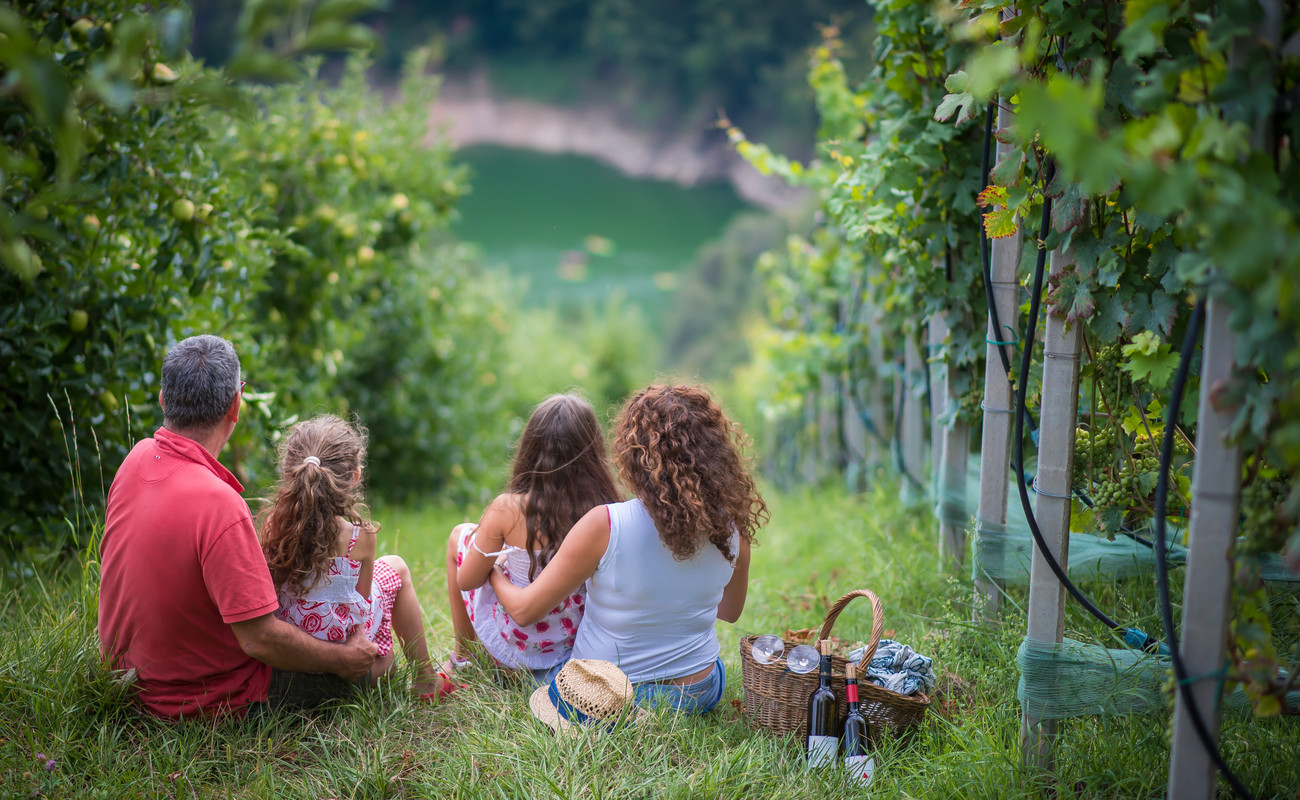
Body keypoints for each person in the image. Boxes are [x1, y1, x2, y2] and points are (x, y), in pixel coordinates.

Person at [98, 335, 377, 719]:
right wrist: (342, 660)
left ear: (164, 400)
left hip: (125, 684)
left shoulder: (135, 460)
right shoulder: (220, 505)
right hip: (204, 701)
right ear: (236, 404)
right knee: (374, 667)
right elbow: (260, 639)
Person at [489, 384, 767, 713]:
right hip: (699, 690)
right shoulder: (731, 530)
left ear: (634, 454)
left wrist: (494, 573)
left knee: (537, 670)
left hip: (605, 695)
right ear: (716, 453)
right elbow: (729, 612)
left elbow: (524, 612)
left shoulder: (605, 525)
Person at [260, 414, 451, 700]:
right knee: (396, 568)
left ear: (290, 472)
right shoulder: (360, 537)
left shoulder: (273, 527)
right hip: (342, 645)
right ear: (355, 476)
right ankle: (425, 679)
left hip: (291, 652)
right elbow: (360, 605)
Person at [445, 393, 620, 683]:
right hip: (571, 646)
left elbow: (467, 581)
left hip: (513, 646)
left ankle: (463, 656)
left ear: (529, 447)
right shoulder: (605, 510)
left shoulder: (508, 508)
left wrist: (497, 567)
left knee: (457, 536)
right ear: (592, 452)